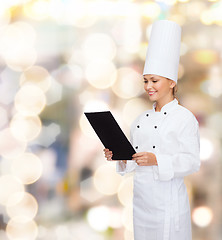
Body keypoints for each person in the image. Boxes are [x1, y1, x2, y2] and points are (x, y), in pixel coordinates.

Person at [104, 20, 200, 240]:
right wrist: (118, 157)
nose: (148, 86)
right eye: (146, 81)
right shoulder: (140, 120)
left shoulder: (184, 119)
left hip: (169, 206)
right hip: (141, 205)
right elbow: (134, 160)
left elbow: (192, 161)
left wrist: (157, 159)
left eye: (154, 81)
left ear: (172, 82)